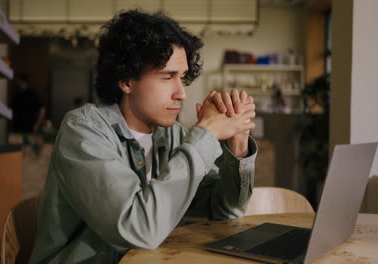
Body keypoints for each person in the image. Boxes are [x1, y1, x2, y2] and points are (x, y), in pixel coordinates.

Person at [29, 10, 257, 264]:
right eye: (167, 76)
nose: (181, 93)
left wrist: (238, 145)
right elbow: (139, 230)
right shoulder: (83, 131)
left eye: (182, 78)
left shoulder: (171, 134)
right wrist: (205, 136)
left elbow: (224, 212)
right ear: (126, 80)